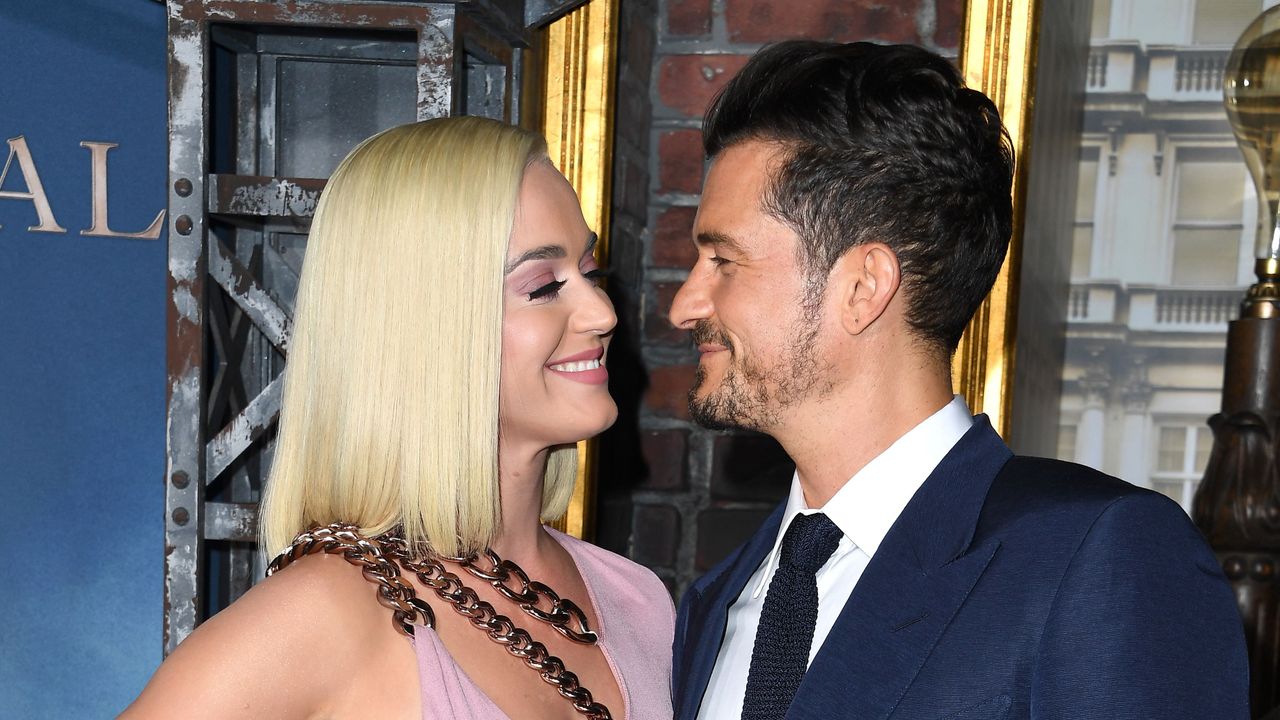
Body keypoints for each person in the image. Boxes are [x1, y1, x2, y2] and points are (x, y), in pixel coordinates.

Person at [668, 41, 1249, 720]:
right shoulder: (716, 602)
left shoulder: (1095, 562)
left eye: (723, 260)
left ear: (864, 287)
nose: (685, 304)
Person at [124, 117, 674, 720]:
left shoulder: (637, 600)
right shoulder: (322, 617)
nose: (600, 311)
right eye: (543, 286)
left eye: (590, 272)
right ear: (420, 326)